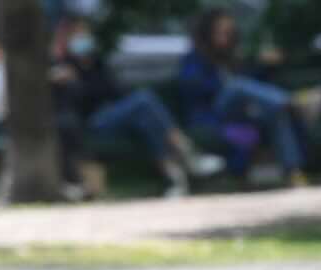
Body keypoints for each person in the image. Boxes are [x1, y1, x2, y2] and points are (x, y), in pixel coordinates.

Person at [49, 17, 224, 198]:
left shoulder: (96, 63)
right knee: (144, 101)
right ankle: (187, 152)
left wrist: (89, 70)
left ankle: (175, 179)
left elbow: (114, 91)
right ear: (67, 38)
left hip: (113, 117)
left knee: (146, 120)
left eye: (85, 34)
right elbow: (78, 103)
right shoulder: (63, 67)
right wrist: (72, 80)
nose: (84, 39)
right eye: (78, 34)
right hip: (92, 122)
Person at [177, 8, 320, 187]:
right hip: (212, 116)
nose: (226, 37)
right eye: (221, 32)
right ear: (207, 33)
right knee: (237, 85)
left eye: (230, 33)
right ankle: (290, 101)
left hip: (241, 115)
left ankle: (293, 172)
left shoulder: (232, 59)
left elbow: (253, 85)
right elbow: (193, 87)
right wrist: (221, 83)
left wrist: (265, 65)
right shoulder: (194, 59)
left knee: (276, 113)